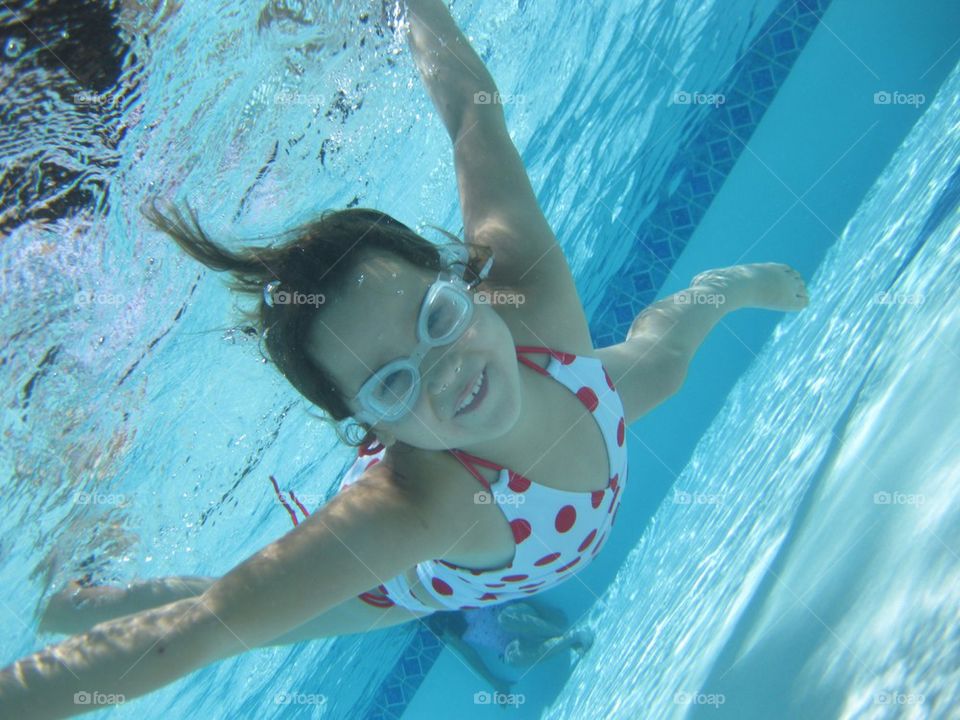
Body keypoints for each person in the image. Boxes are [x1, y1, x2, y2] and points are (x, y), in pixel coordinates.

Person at [0, 0, 809, 716]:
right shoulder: (413, 513)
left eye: (437, 316)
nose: (444, 368)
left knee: (662, 360)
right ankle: (78, 602)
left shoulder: (526, 292)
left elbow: (471, 121)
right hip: (419, 583)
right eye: (392, 381)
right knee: (244, 616)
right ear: (366, 428)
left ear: (465, 281)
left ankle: (718, 289)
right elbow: (199, 632)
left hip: (575, 408)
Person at [427, 599, 593, 695]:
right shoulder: (445, 629)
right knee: (512, 659)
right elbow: (469, 655)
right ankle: (571, 638)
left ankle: (566, 634)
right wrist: (495, 683)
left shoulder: (459, 598)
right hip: (511, 644)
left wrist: (543, 609)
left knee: (505, 619)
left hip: (517, 616)